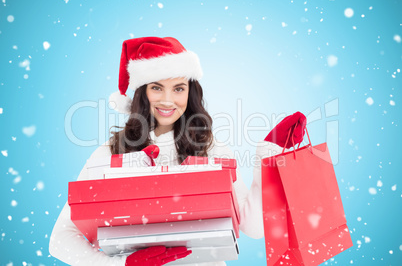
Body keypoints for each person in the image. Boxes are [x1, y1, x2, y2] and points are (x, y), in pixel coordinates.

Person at [49, 37, 283, 266]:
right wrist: (123, 264)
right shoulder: (110, 153)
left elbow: (253, 227)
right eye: (157, 88)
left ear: (189, 93)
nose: (168, 100)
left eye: (179, 88)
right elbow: (61, 239)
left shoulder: (213, 149)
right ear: (143, 92)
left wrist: (268, 157)